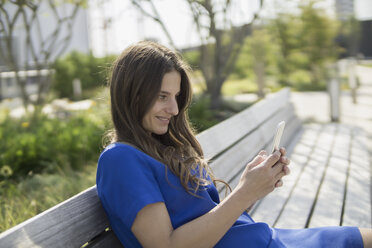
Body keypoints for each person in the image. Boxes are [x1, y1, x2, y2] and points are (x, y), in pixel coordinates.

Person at [96, 41, 372, 248]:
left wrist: (253, 187)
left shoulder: (161, 148)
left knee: (356, 237)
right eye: (161, 96)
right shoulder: (121, 160)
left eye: (176, 97)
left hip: (261, 238)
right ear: (132, 94)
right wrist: (244, 192)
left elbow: (210, 221)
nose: (174, 109)